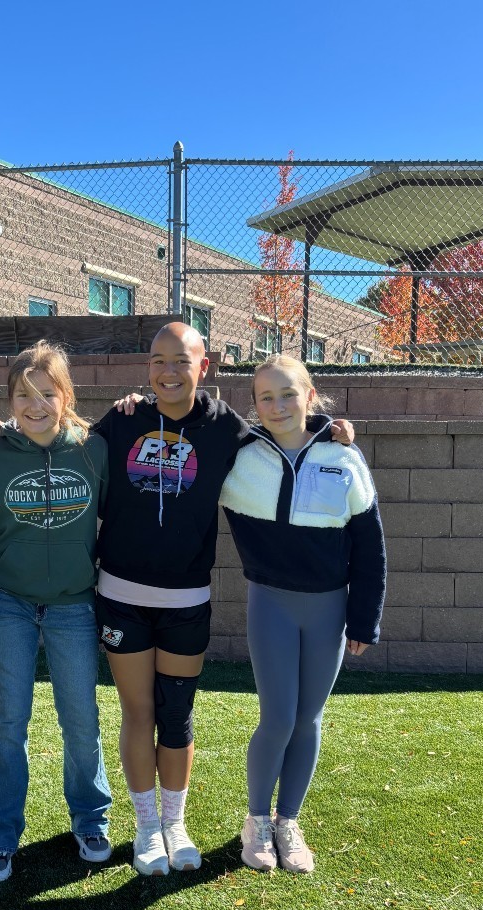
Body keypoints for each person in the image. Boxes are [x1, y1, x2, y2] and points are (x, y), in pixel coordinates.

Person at [94, 322, 355, 876]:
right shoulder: (123, 420)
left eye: (181, 360)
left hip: (187, 597)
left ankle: (175, 825)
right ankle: (145, 828)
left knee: (178, 716)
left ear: (203, 366)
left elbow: (283, 433)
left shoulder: (223, 426)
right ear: (147, 368)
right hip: (120, 595)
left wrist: (331, 427)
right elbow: (69, 444)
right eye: (159, 360)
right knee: (137, 712)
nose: (169, 371)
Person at [220, 354, 386, 873]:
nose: (277, 405)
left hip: (330, 611)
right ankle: (256, 821)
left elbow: (370, 545)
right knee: (277, 718)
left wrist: (364, 618)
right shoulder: (240, 453)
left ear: (310, 396)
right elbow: (189, 427)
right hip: (270, 602)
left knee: (309, 719)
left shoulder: (344, 456)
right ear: (254, 405)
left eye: (288, 393)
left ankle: (288, 819)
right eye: (265, 397)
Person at [0, 340, 112, 883]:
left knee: (80, 721)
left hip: (74, 605)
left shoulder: (91, 451)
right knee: (8, 722)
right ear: (8, 401)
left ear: (65, 396)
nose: (34, 406)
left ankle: (91, 818)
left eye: (46, 394)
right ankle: (1, 834)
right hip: (9, 602)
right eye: (22, 396)